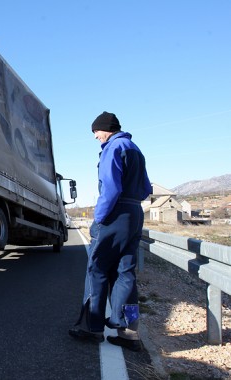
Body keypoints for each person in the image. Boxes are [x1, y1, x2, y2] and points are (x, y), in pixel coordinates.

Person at [69, 111, 152, 352]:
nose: (96, 137)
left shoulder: (112, 148)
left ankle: (91, 328)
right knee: (126, 273)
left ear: (106, 129)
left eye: (96, 132)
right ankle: (128, 332)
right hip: (135, 214)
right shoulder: (135, 148)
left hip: (115, 213)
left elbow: (111, 190)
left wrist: (99, 219)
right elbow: (146, 188)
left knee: (97, 270)